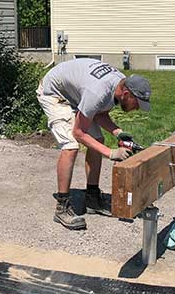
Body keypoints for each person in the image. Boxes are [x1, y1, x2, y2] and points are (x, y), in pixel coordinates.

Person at [37, 59, 152, 230]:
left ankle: (92, 198)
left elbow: (98, 113)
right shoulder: (98, 91)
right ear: (126, 94)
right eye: (137, 103)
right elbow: (78, 132)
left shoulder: (117, 84)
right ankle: (62, 207)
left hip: (76, 95)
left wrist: (118, 133)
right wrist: (111, 153)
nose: (137, 108)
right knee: (71, 146)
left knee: (97, 141)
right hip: (55, 94)